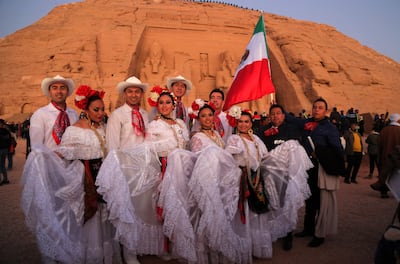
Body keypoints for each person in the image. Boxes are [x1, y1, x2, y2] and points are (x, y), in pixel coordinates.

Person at [226, 110, 313, 258]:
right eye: (240, 121)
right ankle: (249, 248)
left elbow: (265, 157)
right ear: (236, 123)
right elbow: (231, 158)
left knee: (292, 145)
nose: (243, 124)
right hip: (246, 180)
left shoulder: (256, 139)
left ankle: (260, 247)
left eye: (246, 121)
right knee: (250, 213)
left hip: (260, 178)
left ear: (251, 123)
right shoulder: (234, 139)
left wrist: (278, 161)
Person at [56, 85, 119, 263]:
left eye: (102, 109)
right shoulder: (74, 130)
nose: (100, 113)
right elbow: (67, 153)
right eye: (96, 110)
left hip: (105, 179)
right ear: (85, 109)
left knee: (105, 218)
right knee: (92, 220)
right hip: (88, 180)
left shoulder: (104, 128)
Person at [189, 103, 251, 263]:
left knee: (222, 217)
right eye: (203, 116)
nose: (208, 118)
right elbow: (198, 160)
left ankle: (222, 251)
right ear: (199, 119)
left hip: (222, 183)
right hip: (208, 183)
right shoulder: (197, 137)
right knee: (210, 217)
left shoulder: (217, 134)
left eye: (210, 115)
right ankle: (210, 255)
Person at [100, 76, 149, 264]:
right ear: (125, 93)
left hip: (142, 168)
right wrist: (115, 172)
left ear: (141, 93)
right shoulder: (117, 115)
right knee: (127, 211)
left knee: (140, 209)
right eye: (130, 91)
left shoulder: (145, 114)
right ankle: (129, 252)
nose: (134, 94)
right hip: (125, 168)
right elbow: (112, 146)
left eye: (137, 91)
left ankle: (139, 246)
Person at [287, 97, 344, 248]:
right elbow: (291, 119)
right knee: (309, 199)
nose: (316, 109)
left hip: (322, 168)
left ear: (325, 111)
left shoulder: (329, 128)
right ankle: (308, 228)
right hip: (308, 168)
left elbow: (337, 148)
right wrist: (276, 107)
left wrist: (329, 159)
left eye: (320, 107)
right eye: (314, 107)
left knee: (321, 201)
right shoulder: (306, 123)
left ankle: (320, 234)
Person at [256, 104, 302, 250]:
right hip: (269, 175)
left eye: (278, 113)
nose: (275, 116)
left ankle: (288, 234)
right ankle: (272, 231)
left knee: (286, 204)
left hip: (286, 174)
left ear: (283, 115)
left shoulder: (291, 129)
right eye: (273, 114)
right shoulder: (263, 131)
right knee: (271, 203)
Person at [29, 75, 78, 151]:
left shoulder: (73, 114)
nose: (59, 91)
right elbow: (36, 145)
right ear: (50, 92)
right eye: (54, 88)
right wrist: (54, 156)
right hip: (49, 161)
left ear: (67, 91)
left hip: (70, 162)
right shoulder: (40, 114)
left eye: (62, 88)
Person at [371, 113, 400, 198]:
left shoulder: (384, 130)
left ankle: (383, 192)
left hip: (385, 156)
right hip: (397, 158)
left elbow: (379, 143)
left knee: (384, 174)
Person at [0, 119, 12, 185]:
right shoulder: (6, 131)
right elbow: (10, 140)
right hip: (5, 150)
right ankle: (5, 179)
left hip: (1, 149)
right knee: (2, 165)